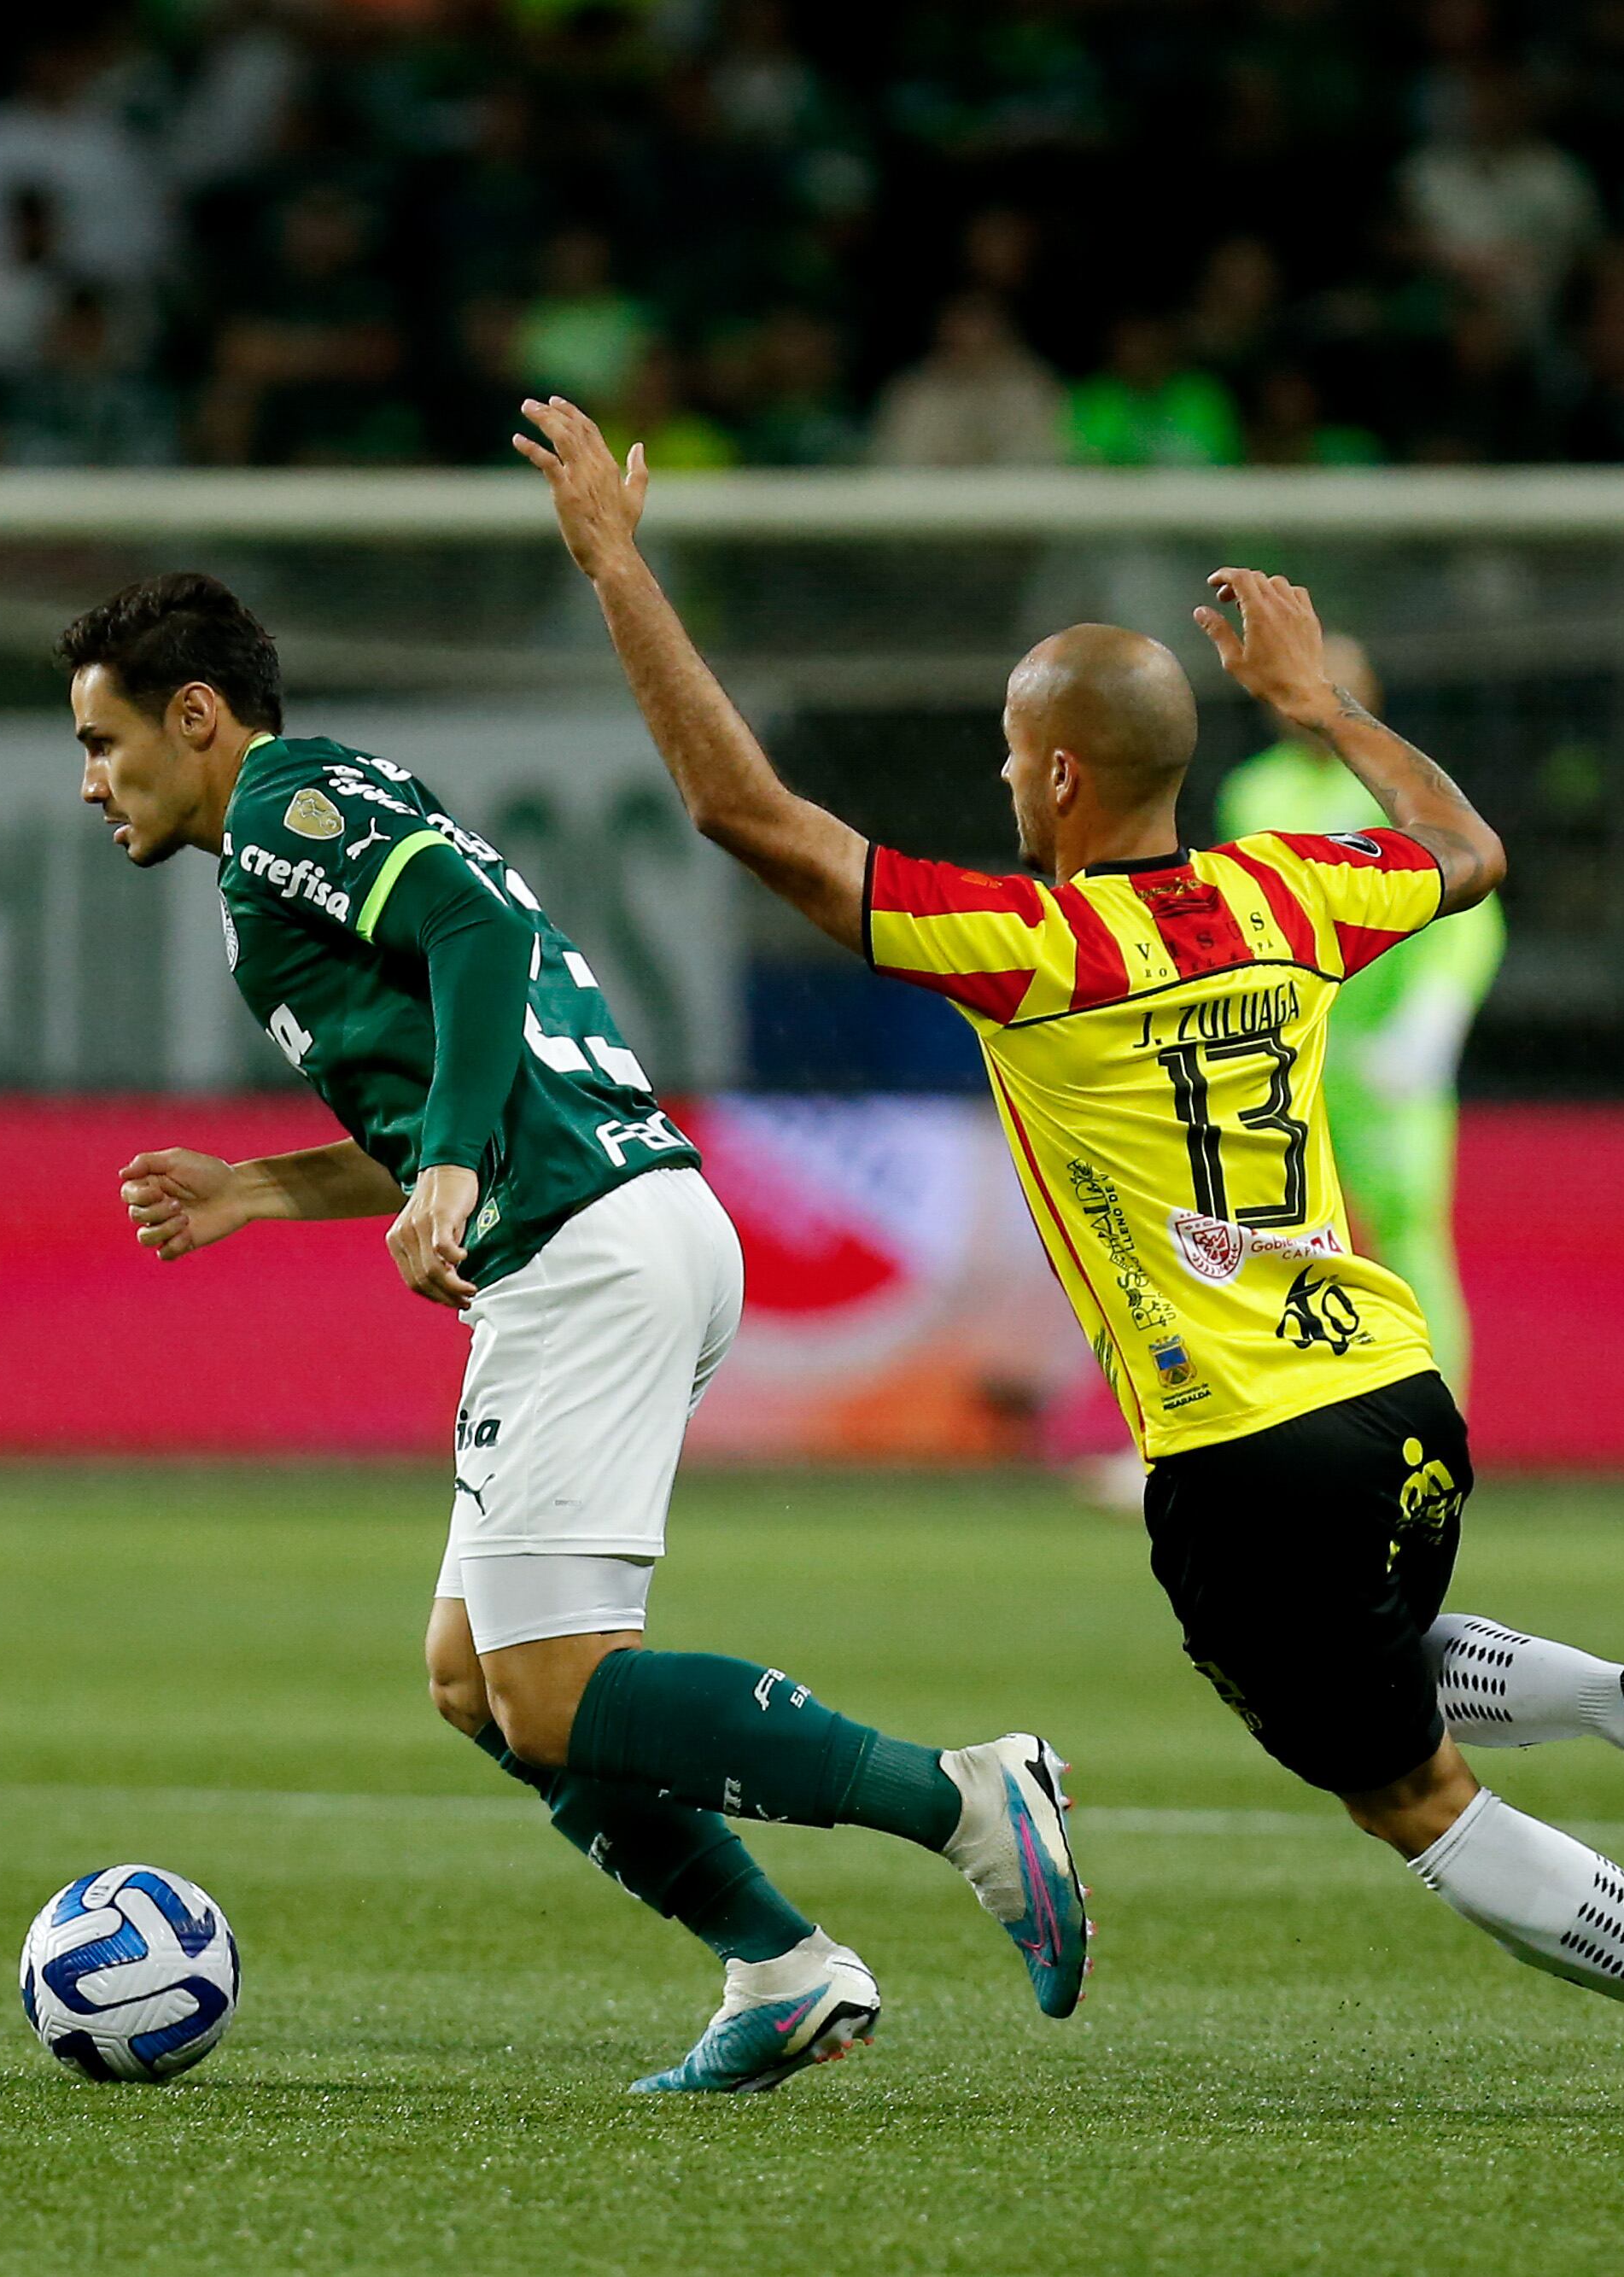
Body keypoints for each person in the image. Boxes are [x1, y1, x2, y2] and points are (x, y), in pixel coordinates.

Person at [515, 394, 1624, 2121]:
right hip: (1390, 1383)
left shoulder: (1028, 944)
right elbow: (1468, 851)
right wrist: (1323, 707)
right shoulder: (1292, 889)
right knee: (1362, 1654)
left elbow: (738, 810)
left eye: (1012, 751)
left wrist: (618, 565)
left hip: (1237, 1443)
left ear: (1059, 773)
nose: (1001, 775)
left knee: (1408, 1797)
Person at [69, 572, 1086, 2094]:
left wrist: (462, 1167)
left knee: (551, 1687)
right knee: (477, 1678)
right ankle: (783, 1964)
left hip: (583, 1245)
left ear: (197, 716)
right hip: (617, 1221)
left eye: (103, 740)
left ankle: (963, 1800)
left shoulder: (287, 806)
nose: (91, 780)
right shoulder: (301, 835)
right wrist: (261, 1189)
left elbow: (475, 935)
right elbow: (441, 1073)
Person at [1212, 636, 1503, 1397]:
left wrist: (1429, 1023)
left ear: (1363, 696)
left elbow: (1468, 915)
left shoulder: (1403, 790)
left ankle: (1442, 1420)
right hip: (1287, 1056)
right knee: (1264, 1240)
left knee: (1408, 1235)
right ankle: (1252, 1427)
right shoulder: (1252, 791)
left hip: (1384, 1058)